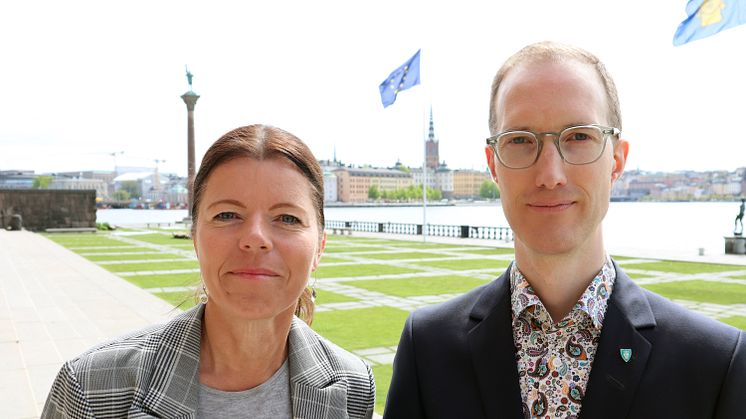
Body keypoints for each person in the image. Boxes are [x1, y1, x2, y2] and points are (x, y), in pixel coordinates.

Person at [384, 42, 745, 418]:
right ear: (494, 165)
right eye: (521, 141)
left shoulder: (716, 363)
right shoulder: (427, 348)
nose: (550, 175)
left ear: (617, 160)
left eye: (578, 136)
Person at [43, 124, 376, 418]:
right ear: (195, 238)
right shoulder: (90, 388)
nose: (255, 238)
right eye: (227, 214)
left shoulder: (354, 387)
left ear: (319, 247)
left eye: (287, 218)